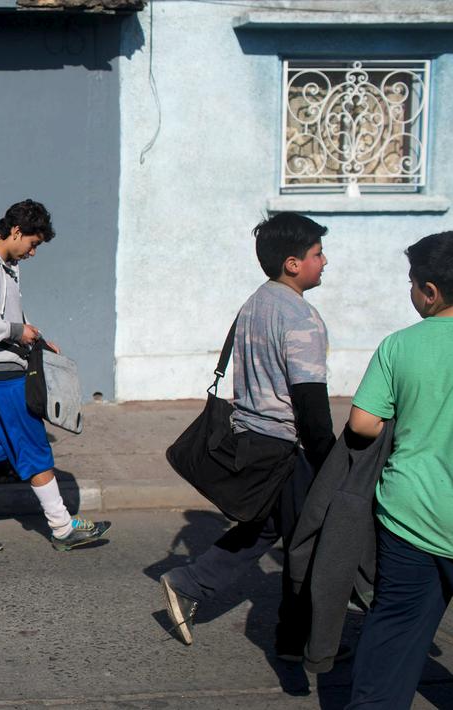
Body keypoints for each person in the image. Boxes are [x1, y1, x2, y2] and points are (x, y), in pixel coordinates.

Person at [161, 212, 336, 658]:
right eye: (317, 254)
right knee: (309, 546)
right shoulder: (302, 317)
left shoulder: (255, 302)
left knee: (266, 527)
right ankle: (297, 642)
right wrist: (330, 459)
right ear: (294, 264)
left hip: (251, 440)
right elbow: (311, 402)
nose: (325, 261)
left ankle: (190, 581)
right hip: (286, 449)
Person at [0, 199, 111, 554]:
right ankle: (63, 527)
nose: (33, 252)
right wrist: (17, 331)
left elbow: (5, 316)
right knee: (34, 449)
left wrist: (37, 338)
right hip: (5, 378)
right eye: (32, 244)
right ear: (16, 232)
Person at [345, 232, 453, 708]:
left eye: (412, 284)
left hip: (412, 515)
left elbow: (363, 424)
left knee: (394, 629)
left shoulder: (399, 346)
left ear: (430, 292)